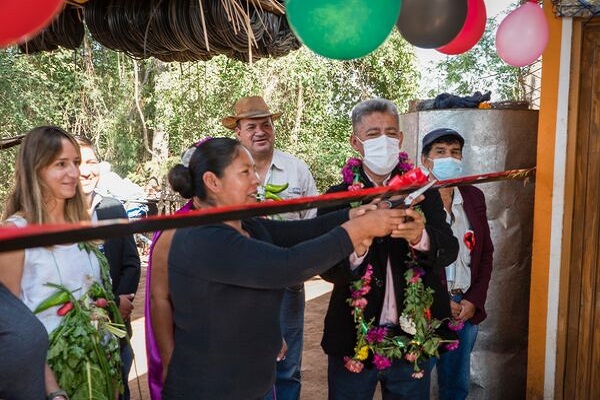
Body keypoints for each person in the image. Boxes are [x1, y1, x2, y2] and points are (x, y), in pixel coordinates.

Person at [160, 137, 412, 399]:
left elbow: (300, 231)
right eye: (245, 172)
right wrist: (357, 230)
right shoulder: (204, 238)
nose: (256, 180)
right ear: (213, 182)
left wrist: (351, 215)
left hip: (250, 385)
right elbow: (288, 265)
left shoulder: (245, 225)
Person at [317, 99, 459, 400]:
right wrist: (357, 242)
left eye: (390, 132)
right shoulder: (336, 198)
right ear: (356, 142)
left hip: (412, 340)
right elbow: (326, 267)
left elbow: (449, 250)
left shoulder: (424, 193)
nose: (384, 140)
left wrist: (421, 237)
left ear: (401, 139)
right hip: (353, 341)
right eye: (373, 134)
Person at [0, 126, 123, 399]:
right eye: (61, 164)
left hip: (100, 372)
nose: (74, 172)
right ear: (36, 169)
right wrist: (54, 390)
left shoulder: (82, 227)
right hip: (50, 377)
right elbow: (11, 328)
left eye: (76, 163)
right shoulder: (15, 234)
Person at [222, 95, 318, 400]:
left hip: (287, 285)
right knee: (244, 363)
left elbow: (313, 222)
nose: (260, 131)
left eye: (266, 124)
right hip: (240, 288)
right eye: (252, 126)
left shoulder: (296, 170)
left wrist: (298, 265)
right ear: (238, 131)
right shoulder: (224, 174)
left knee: (288, 367)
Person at [420, 128, 494, 400]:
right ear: (425, 160)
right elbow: (410, 262)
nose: (449, 158)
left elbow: (485, 254)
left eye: (454, 152)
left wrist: (473, 301)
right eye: (440, 152)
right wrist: (438, 302)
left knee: (455, 388)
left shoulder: (473, 198)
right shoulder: (415, 199)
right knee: (416, 385)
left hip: (464, 308)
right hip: (425, 310)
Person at [76, 135, 141, 400]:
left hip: (116, 323)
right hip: (78, 329)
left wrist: (123, 299)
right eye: (80, 162)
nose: (87, 170)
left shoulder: (113, 208)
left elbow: (131, 261)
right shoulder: (52, 219)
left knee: (119, 383)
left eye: (92, 161)